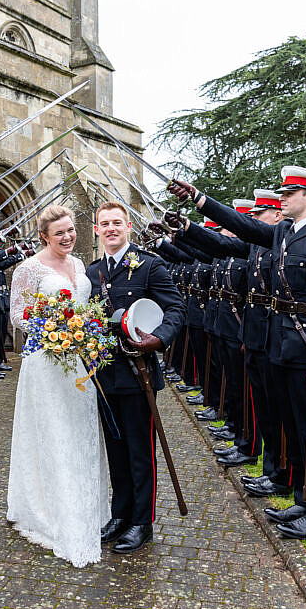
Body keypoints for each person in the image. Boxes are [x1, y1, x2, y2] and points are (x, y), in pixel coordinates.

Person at [168, 166, 306, 540]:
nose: (282, 198)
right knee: (287, 423)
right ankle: (302, 497)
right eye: (282, 193)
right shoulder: (284, 233)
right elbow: (243, 230)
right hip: (277, 342)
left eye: (289, 193)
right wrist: (198, 199)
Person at [7, 204, 111, 567]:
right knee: (53, 431)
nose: (67, 237)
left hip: (78, 361)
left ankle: (89, 506)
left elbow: (84, 307)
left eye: (71, 231)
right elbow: (16, 314)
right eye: (59, 233)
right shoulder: (29, 268)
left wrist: (82, 332)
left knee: (80, 429)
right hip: (46, 362)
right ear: (44, 237)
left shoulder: (79, 265)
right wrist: (51, 328)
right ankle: (50, 510)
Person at [86, 202, 185, 554]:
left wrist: (158, 339)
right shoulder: (91, 271)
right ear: (96, 230)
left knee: (140, 450)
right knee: (115, 448)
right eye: (104, 224)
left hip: (137, 373)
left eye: (117, 222)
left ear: (128, 226)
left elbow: (175, 308)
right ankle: (120, 514)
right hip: (102, 374)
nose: (110, 228)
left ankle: (142, 522)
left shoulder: (150, 265)